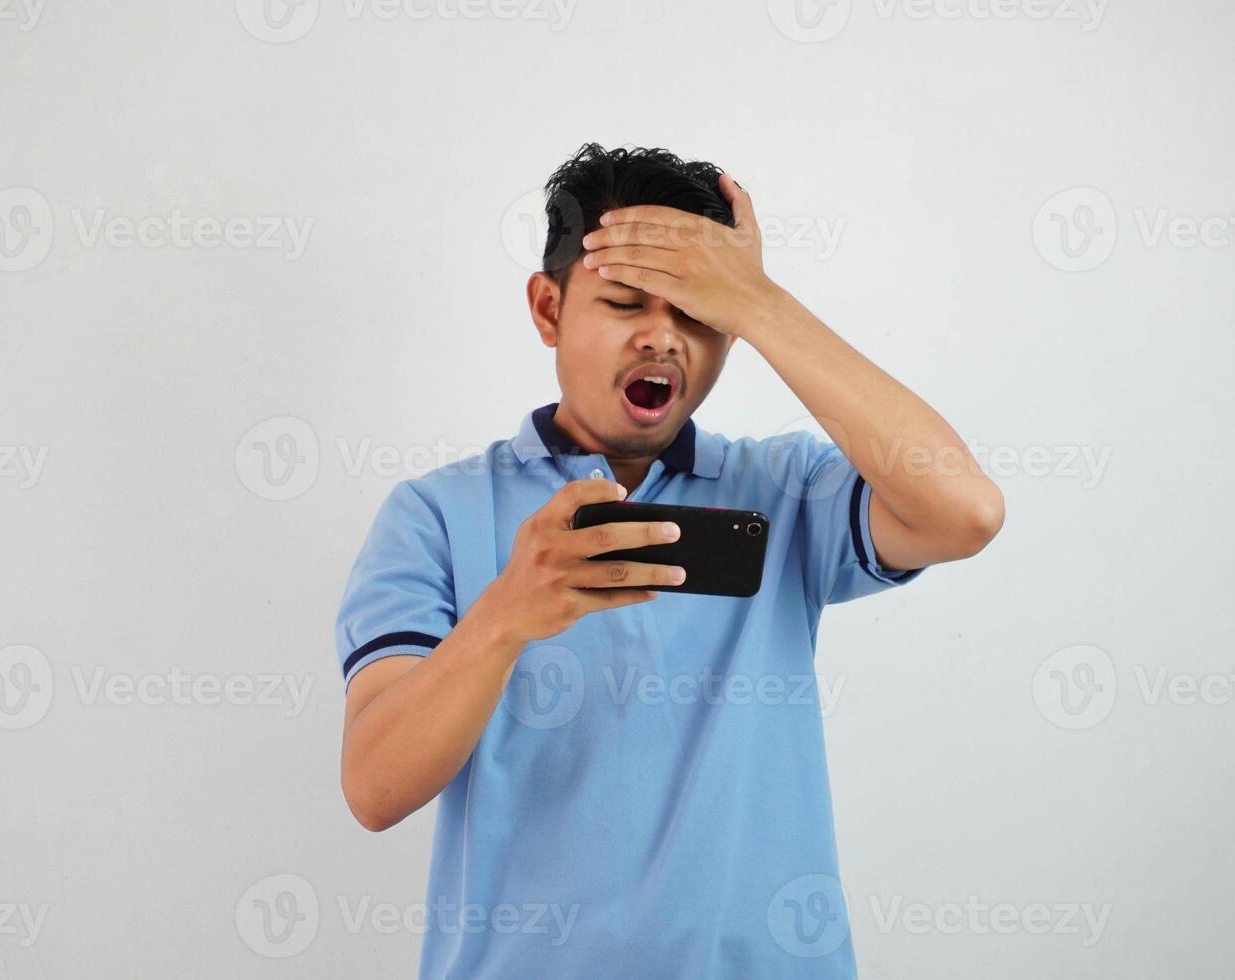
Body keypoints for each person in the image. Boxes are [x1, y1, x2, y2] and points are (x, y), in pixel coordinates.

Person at [335, 143, 1004, 979]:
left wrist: (760, 302)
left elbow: (967, 511)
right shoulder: (434, 516)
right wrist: (506, 614)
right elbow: (374, 787)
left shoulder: (785, 490)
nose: (663, 337)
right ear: (548, 309)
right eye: (624, 302)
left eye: (699, 312)